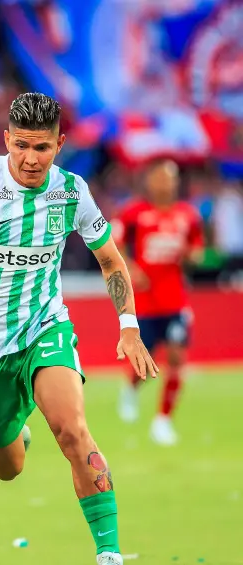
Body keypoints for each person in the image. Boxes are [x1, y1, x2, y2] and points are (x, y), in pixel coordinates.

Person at [0, 92, 158, 565]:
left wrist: (129, 326)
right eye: (21, 145)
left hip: (45, 326)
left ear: (59, 145)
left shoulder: (72, 192)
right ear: (6, 141)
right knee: (7, 467)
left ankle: (110, 554)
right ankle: (17, 428)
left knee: (73, 430)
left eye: (41, 147)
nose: (30, 158)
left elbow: (111, 261)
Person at [112, 160, 204, 445]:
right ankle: (131, 388)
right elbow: (113, 246)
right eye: (161, 178)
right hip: (143, 303)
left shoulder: (187, 215)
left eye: (171, 179)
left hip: (175, 300)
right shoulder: (133, 214)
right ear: (150, 181)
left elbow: (197, 247)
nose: (167, 184)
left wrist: (193, 256)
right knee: (145, 361)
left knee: (177, 358)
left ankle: (162, 420)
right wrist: (132, 268)